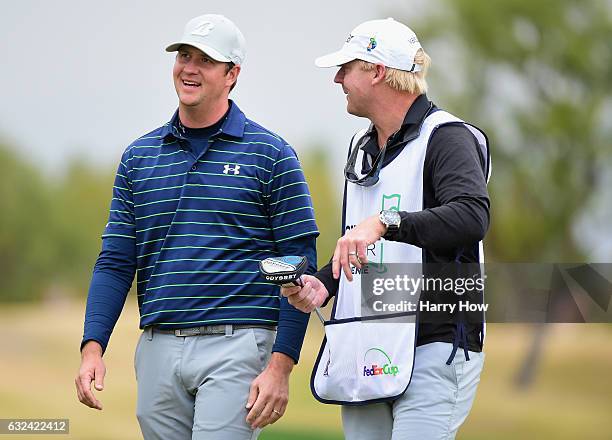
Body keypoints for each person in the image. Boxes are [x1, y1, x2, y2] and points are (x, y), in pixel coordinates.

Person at [75, 14, 319, 440]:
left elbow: (299, 263)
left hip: (239, 342)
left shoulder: (271, 154)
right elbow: (116, 261)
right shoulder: (139, 157)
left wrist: (281, 364)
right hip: (157, 345)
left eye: (206, 59)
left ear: (232, 74)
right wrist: (92, 347)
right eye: (184, 55)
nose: (189, 67)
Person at [281, 18, 490, 440]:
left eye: (347, 68)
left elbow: (472, 215)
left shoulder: (447, 137)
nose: (337, 78)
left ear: (377, 71)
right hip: (369, 339)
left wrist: (385, 223)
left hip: (436, 340)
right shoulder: (361, 146)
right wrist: (323, 284)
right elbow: (364, 248)